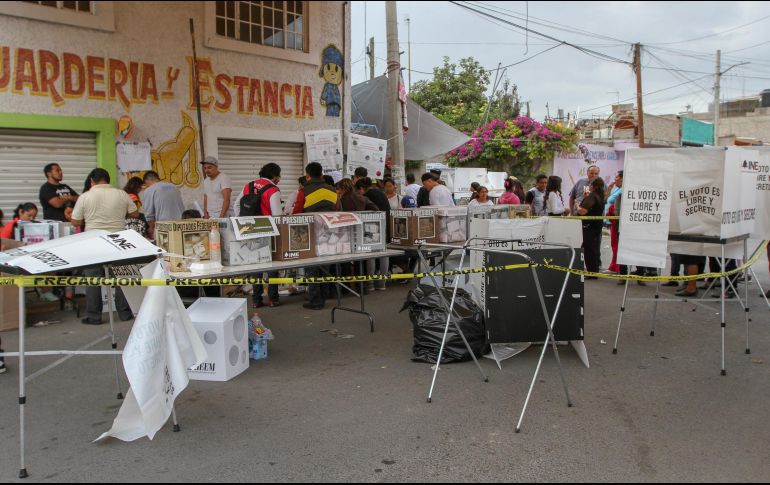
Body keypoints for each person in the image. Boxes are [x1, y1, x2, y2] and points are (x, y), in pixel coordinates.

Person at [70, 168, 139, 325]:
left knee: (93, 279)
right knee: (122, 277)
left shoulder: (85, 196)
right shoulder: (121, 194)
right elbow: (135, 214)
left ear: (92, 181)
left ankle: (94, 317)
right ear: (108, 180)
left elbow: (75, 222)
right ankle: (124, 313)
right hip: (118, 241)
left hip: (94, 242)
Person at [237, 163, 282, 308]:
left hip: (250, 229)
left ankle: (256, 300)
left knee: (256, 265)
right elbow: (277, 215)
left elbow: (236, 205)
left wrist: (243, 223)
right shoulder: (272, 189)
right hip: (267, 230)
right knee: (271, 266)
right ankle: (273, 299)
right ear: (275, 176)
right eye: (279, 176)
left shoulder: (248, 186)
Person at [295, 162, 337, 310]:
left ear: (308, 175)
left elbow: (296, 212)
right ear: (321, 173)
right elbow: (338, 210)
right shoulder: (332, 190)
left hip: (310, 233)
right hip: (329, 233)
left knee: (312, 267)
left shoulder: (304, 191)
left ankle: (315, 300)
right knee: (325, 265)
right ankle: (324, 295)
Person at [357, 178, 391, 291]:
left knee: (371, 255)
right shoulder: (382, 193)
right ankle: (382, 284)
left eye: (359, 191)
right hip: (384, 226)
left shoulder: (366, 196)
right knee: (383, 254)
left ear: (361, 188)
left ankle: (370, 284)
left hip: (371, 228)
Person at [142, 171, 185, 239]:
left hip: (164, 228)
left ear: (147, 180)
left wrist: (152, 230)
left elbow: (149, 215)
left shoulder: (149, 190)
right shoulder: (174, 186)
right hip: (181, 225)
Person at [578, 178, 606, 276]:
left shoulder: (592, 196)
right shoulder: (601, 196)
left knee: (588, 248)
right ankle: (594, 269)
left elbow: (582, 211)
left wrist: (577, 205)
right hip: (597, 224)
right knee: (593, 247)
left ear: (593, 186)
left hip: (589, 225)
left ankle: (591, 271)